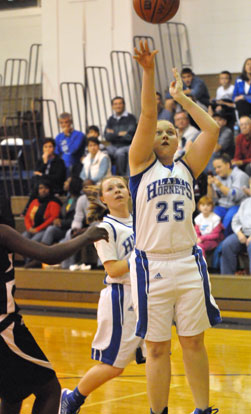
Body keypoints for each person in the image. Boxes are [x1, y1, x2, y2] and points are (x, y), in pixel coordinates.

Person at [128, 40, 220, 414]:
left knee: (194, 342)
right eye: (159, 132)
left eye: (171, 132)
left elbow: (211, 129)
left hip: (187, 261)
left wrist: (181, 98)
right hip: (151, 265)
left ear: (178, 139)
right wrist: (149, 72)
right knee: (156, 347)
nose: (164, 134)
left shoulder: (187, 167)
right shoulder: (139, 165)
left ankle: (202, 409)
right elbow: (148, 117)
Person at [0, 216, 108, 414]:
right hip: (5, 330)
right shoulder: (3, 232)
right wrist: (86, 236)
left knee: (12, 394)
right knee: (50, 390)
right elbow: (49, 255)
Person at [59, 176, 145, 414]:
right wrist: (142, 253)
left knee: (159, 354)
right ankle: (72, 399)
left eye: (120, 186)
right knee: (114, 366)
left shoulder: (142, 222)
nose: (117, 190)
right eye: (110, 188)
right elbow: (114, 269)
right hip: (121, 297)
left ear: (129, 193)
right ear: (103, 199)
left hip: (148, 294)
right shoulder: (105, 228)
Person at [207, 153, 249, 236]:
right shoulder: (217, 177)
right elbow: (211, 200)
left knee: (227, 221)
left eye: (219, 167)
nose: (217, 171)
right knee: (209, 219)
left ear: (227, 165)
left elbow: (235, 197)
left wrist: (220, 185)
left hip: (237, 206)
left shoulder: (240, 176)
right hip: (221, 206)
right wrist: (209, 185)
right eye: (215, 168)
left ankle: (220, 245)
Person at [104, 96, 137, 176]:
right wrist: (120, 134)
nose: (118, 106)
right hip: (113, 146)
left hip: (127, 145)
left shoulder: (131, 118)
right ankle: (108, 177)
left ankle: (123, 176)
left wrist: (113, 133)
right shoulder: (111, 119)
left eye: (120, 103)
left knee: (120, 153)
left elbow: (129, 136)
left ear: (124, 105)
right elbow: (106, 136)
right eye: (115, 104)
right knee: (103, 153)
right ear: (112, 106)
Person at [220, 194, 251, 275]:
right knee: (227, 244)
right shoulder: (246, 202)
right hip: (243, 233)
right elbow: (235, 220)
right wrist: (239, 232)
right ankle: (227, 279)